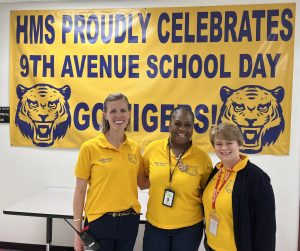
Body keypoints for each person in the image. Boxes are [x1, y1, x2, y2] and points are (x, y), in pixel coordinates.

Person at [73, 93, 146, 251]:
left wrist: (168, 171)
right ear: (105, 115)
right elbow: (79, 192)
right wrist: (77, 231)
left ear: (129, 113)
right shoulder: (89, 148)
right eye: (113, 111)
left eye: (122, 110)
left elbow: (143, 183)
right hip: (99, 222)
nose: (118, 115)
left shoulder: (135, 148)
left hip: (129, 222)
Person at [141, 106, 213, 251]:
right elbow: (143, 182)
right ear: (169, 125)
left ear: (192, 128)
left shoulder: (202, 158)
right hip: (155, 226)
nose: (182, 129)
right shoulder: (153, 149)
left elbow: (207, 193)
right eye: (178, 124)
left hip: (189, 228)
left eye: (188, 125)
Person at [202, 123, 276, 251]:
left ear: (239, 143)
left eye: (229, 142)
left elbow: (266, 227)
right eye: (219, 144)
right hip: (212, 246)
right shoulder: (216, 171)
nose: (224, 148)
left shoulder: (256, 178)